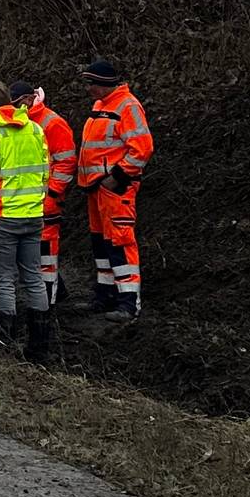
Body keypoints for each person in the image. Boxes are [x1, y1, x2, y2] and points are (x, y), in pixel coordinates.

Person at [0, 81, 55, 360]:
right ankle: (39, 346)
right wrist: (37, 203)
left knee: (3, 280)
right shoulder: (35, 129)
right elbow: (46, 171)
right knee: (33, 277)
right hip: (33, 215)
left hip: (1, 217)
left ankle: (2, 342)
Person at [77, 58, 156, 318]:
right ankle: (106, 295)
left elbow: (142, 148)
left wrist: (118, 177)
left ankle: (128, 303)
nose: (88, 88)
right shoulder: (100, 105)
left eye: (91, 83)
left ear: (103, 84)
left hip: (116, 189)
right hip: (96, 189)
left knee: (120, 242)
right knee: (101, 244)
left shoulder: (128, 106)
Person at [26, 84, 79, 309]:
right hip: (29, 200)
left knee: (45, 252)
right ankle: (55, 293)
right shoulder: (23, 121)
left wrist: (53, 194)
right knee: (36, 253)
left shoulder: (51, 122)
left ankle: (48, 303)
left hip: (46, 200)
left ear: (29, 99)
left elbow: (66, 161)